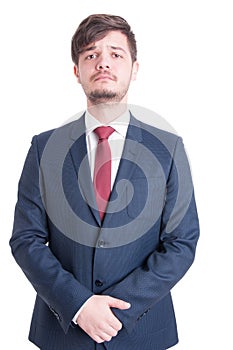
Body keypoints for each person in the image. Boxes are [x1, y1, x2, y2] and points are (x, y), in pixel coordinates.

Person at [10, 14, 199, 350]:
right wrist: (80, 305)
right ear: (76, 71)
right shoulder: (43, 148)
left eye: (116, 54)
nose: (103, 63)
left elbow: (182, 242)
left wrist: (116, 310)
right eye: (91, 55)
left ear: (134, 68)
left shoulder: (168, 148)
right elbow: (26, 239)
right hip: (62, 332)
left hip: (143, 332)